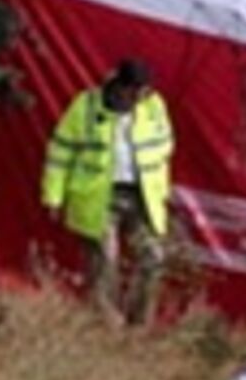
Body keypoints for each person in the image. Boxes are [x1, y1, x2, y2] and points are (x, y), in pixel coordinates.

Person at [41, 59, 175, 324]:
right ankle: (108, 326)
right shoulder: (86, 106)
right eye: (134, 91)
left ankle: (139, 325)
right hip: (98, 196)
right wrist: (53, 196)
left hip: (142, 195)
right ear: (120, 86)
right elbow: (61, 152)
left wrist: (159, 184)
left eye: (144, 91)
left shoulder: (154, 106)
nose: (139, 97)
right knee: (104, 261)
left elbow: (166, 143)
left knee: (153, 257)